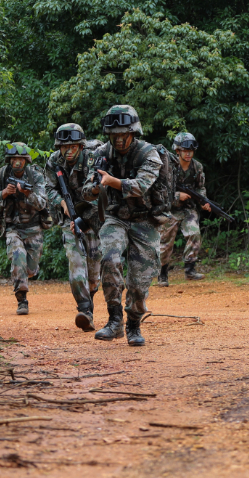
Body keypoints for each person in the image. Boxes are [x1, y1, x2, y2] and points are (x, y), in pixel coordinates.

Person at [83, 105, 166, 347]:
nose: (118, 139)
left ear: (133, 132)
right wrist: (96, 188)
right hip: (115, 216)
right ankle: (115, 320)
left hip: (145, 220)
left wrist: (113, 181)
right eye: (114, 135)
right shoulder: (100, 153)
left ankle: (134, 325)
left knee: (140, 281)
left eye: (123, 134)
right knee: (109, 259)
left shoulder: (149, 153)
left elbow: (141, 186)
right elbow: (86, 191)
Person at [44, 123, 102, 332]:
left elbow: (99, 192)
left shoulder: (92, 159)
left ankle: (90, 296)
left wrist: (82, 217)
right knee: (76, 261)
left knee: (94, 270)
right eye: (64, 147)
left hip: (93, 216)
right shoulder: (54, 161)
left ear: (81, 146)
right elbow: (49, 188)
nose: (68, 151)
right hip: (68, 219)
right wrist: (63, 205)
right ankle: (85, 309)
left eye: (73, 147)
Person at [0, 143, 49, 316]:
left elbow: (42, 203)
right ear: (9, 160)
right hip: (12, 227)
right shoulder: (2, 174)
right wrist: (5, 193)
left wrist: (28, 193)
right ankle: (22, 300)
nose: (17, 162)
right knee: (17, 257)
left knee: (30, 270)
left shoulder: (35, 176)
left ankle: (24, 274)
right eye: (14, 158)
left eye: (21, 159)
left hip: (33, 227)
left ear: (26, 160)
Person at [159, 132, 209, 285]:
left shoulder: (197, 167)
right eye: (185, 150)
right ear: (177, 151)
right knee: (165, 242)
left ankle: (190, 269)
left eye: (191, 151)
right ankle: (162, 274)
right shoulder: (168, 167)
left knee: (194, 233)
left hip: (188, 208)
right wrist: (176, 196)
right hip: (169, 209)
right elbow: (159, 190)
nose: (188, 154)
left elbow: (200, 187)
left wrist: (203, 200)